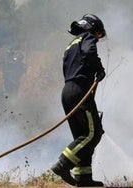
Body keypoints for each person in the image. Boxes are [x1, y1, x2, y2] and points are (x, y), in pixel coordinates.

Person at [51, 14, 106, 187]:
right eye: (97, 33)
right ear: (90, 28)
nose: (97, 37)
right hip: (79, 91)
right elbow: (89, 53)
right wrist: (99, 69)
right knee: (93, 134)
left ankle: (84, 179)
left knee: (81, 137)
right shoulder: (87, 37)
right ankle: (62, 165)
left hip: (67, 91)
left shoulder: (71, 44)